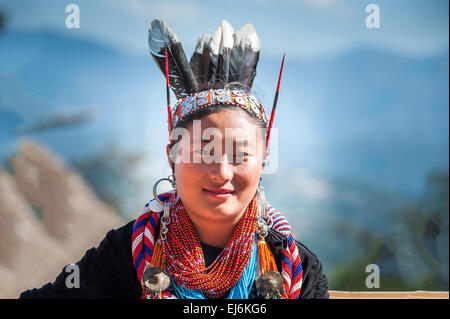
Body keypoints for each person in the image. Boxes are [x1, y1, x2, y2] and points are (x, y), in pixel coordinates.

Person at [19, 19, 329, 299]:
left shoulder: (295, 265)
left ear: (262, 160)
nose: (221, 172)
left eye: (240, 155)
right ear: (172, 156)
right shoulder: (125, 254)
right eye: (202, 152)